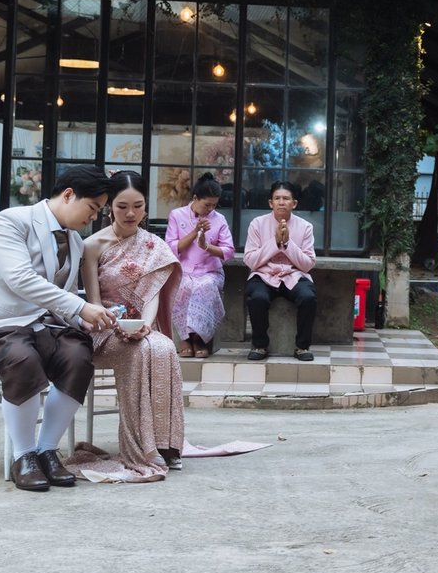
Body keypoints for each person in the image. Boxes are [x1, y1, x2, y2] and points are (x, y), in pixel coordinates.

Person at [0, 164, 116, 492]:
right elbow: (20, 279)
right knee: (21, 356)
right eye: (93, 208)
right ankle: (23, 455)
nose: (94, 218)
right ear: (69, 195)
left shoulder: (74, 243)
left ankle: (47, 450)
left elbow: (63, 299)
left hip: (41, 330)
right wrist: (80, 306)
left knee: (77, 354)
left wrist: (86, 319)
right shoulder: (11, 221)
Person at [67, 170, 187, 481]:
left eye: (138, 205)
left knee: (161, 346)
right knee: (139, 353)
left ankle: (168, 444)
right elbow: (92, 301)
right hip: (104, 331)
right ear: (110, 206)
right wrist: (112, 324)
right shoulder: (91, 245)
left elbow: (152, 297)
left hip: (141, 329)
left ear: (147, 207)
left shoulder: (154, 245)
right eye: (122, 206)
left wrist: (146, 325)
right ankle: (141, 448)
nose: (130, 213)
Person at [244, 181, 317, 362]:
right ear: (271, 203)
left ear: (294, 203)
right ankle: (259, 345)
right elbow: (250, 261)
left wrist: (287, 244)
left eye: (286, 199)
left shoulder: (305, 227)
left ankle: (302, 346)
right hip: (264, 275)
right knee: (257, 297)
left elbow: (308, 264)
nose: (281, 202)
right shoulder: (257, 224)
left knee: (308, 297)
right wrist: (275, 243)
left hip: (294, 275)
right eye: (277, 198)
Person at [166, 173, 234, 358]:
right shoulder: (176, 215)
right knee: (185, 286)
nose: (210, 209)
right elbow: (171, 248)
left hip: (210, 272)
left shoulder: (219, 219)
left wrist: (207, 246)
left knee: (204, 287)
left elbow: (228, 251)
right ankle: (186, 337)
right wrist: (195, 232)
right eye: (207, 204)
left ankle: (200, 338)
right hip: (183, 271)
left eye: (214, 205)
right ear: (195, 198)